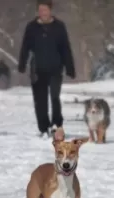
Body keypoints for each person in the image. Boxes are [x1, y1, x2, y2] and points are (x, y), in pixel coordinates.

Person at [18, 0, 75, 139]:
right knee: (40, 101)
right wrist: (22, 64)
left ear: (50, 10)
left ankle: (56, 124)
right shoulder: (32, 27)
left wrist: (70, 67)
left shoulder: (59, 26)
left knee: (55, 97)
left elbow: (65, 48)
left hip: (55, 68)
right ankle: (44, 127)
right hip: (37, 69)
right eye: (40, 10)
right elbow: (25, 47)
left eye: (45, 10)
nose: (43, 13)